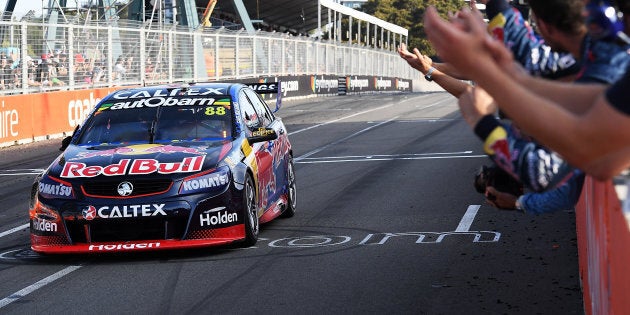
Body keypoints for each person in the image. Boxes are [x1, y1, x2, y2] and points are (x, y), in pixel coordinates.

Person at [423, 5, 630, 183]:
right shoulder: (609, 59)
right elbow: (591, 98)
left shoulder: (609, 57)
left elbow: (553, 170)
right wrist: (504, 74)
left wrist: (482, 121)